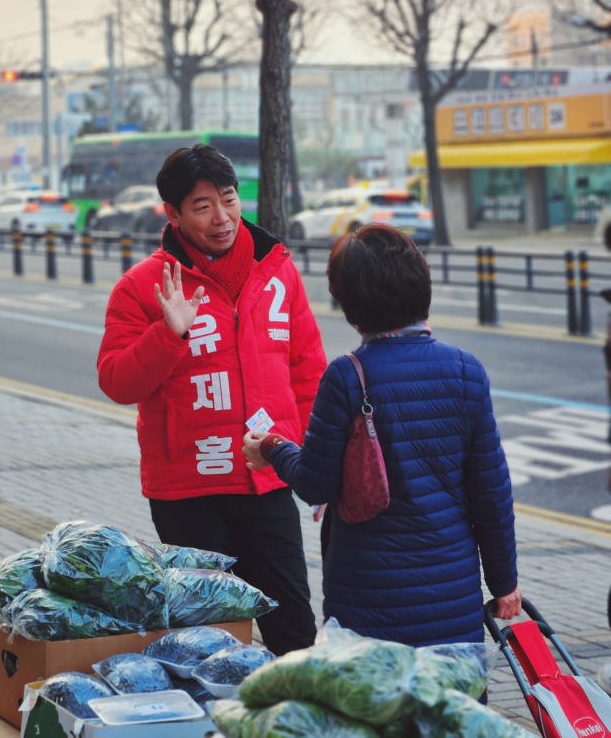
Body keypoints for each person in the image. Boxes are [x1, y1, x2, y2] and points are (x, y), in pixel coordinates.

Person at [243, 222, 521, 649]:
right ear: (420, 286)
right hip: (452, 590)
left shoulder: (346, 376)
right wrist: (504, 583)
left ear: (350, 307)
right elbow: (491, 490)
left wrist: (272, 447)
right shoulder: (466, 370)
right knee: (453, 710)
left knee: (374, 709)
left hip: (367, 595)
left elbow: (315, 483)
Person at [98, 144, 327, 655]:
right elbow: (116, 381)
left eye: (228, 199)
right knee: (207, 644)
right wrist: (167, 333)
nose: (221, 217)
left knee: (294, 631)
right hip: (188, 496)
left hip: (270, 479)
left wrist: (319, 466)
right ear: (173, 215)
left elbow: (308, 373)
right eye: (202, 207)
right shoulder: (142, 288)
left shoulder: (278, 272)